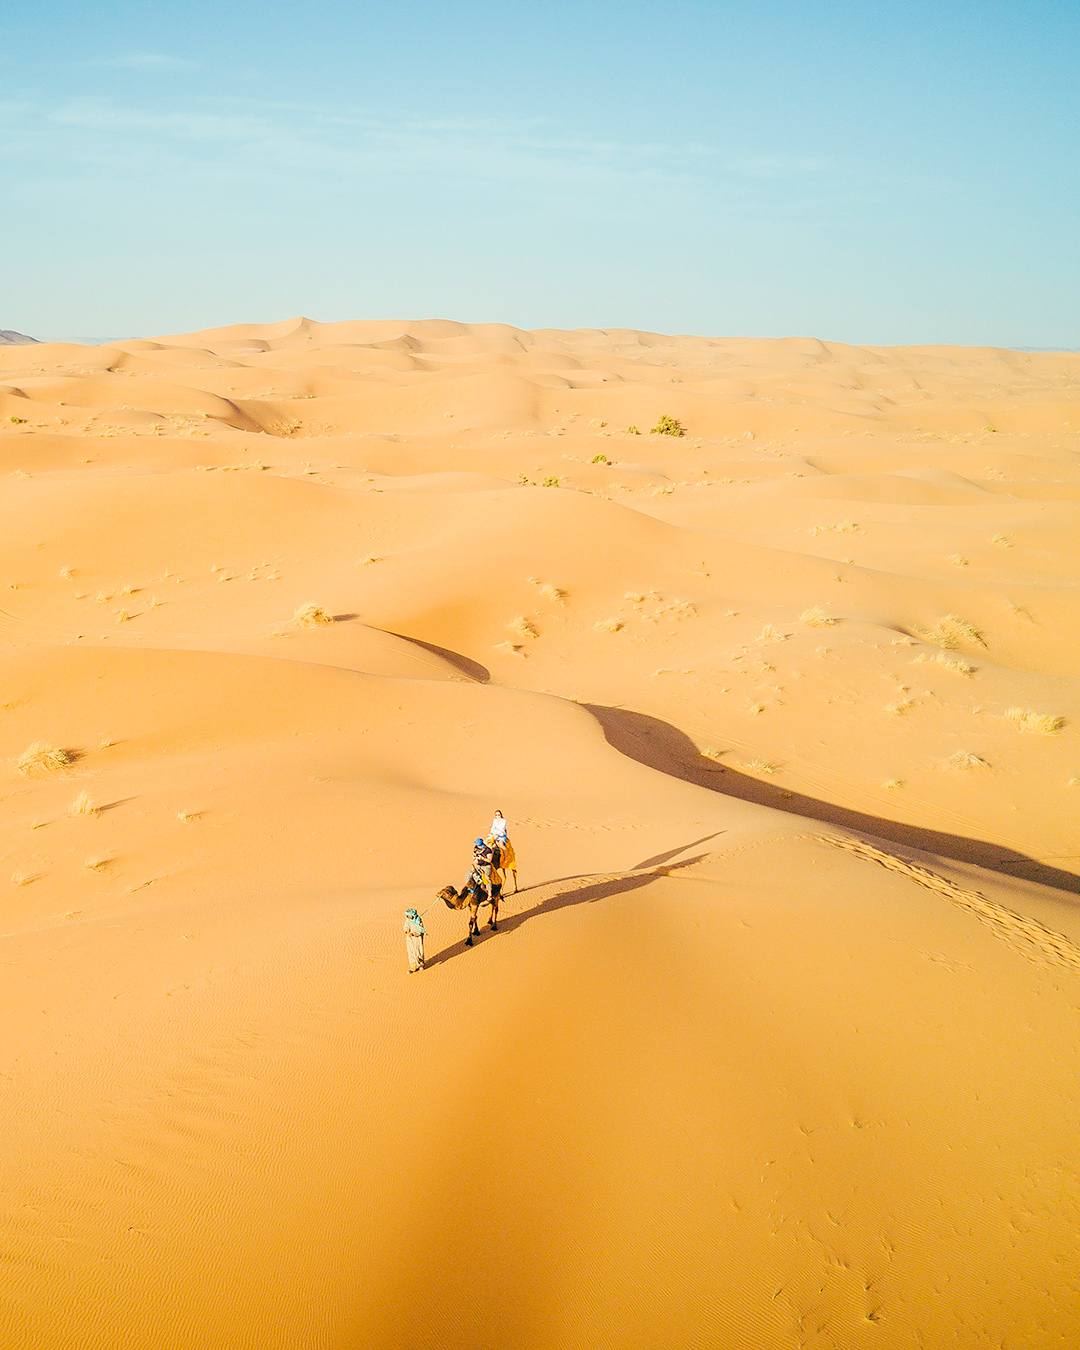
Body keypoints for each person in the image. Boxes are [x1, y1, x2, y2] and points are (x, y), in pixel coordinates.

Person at [403, 907, 426, 973]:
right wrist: (407, 932)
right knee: (411, 952)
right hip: (410, 940)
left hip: (417, 939)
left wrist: (415, 933)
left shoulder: (418, 920)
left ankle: (421, 965)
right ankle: (413, 967)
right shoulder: (407, 920)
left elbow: (421, 930)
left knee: (418, 951)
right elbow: (405, 927)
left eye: (408, 915)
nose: (407, 916)